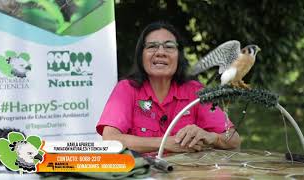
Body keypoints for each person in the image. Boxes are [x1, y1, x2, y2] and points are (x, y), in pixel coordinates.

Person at [96, 21, 241, 153]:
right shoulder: (126, 89)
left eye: (169, 46)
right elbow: (110, 140)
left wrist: (211, 137)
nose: (160, 52)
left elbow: (234, 140)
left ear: (179, 56)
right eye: (152, 46)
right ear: (141, 55)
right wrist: (164, 143)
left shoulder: (195, 91)